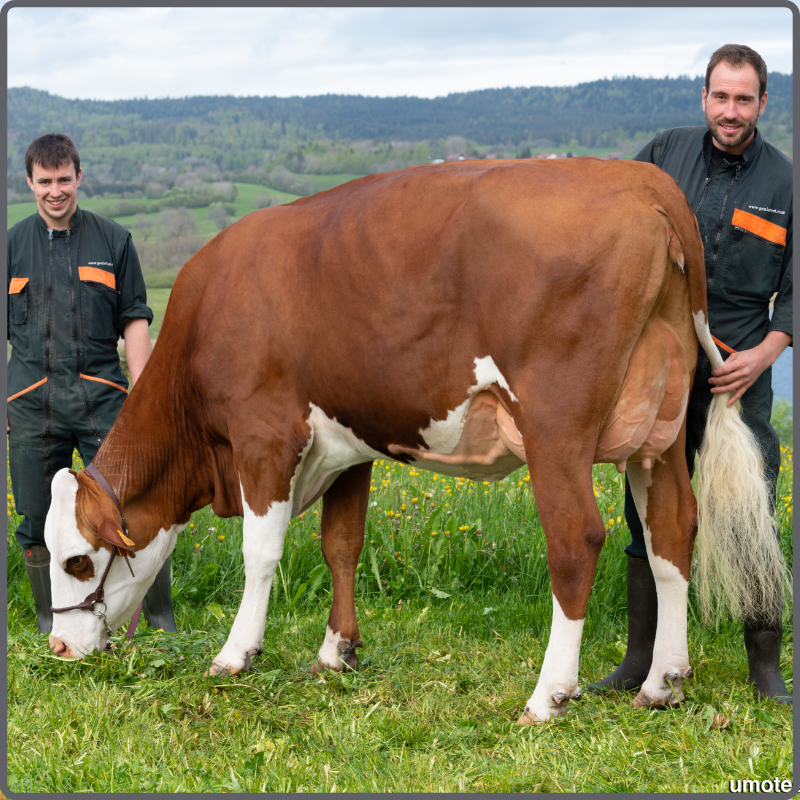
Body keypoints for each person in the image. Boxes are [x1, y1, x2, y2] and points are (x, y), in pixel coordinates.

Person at [589, 44, 792, 703]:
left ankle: (766, 671)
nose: (729, 111)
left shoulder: (784, 183)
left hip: (739, 375)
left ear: (763, 103)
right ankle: (637, 663)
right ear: (704, 97)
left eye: (743, 99)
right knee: (646, 512)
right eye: (720, 97)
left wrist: (766, 352)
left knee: (747, 519)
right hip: (661, 371)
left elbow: (793, 290)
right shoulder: (662, 157)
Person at [7, 133, 177, 635]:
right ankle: (48, 622)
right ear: (30, 182)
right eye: (44, 182)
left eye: (64, 180)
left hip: (105, 401)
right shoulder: (11, 246)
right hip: (29, 403)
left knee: (133, 514)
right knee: (36, 522)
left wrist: (145, 402)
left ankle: (157, 622)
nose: (54, 191)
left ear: (79, 178)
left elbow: (135, 322)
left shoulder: (113, 241)